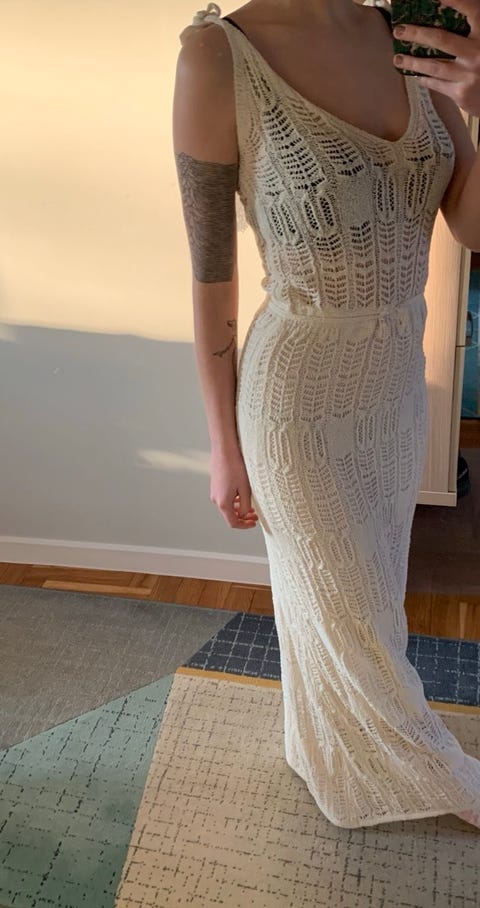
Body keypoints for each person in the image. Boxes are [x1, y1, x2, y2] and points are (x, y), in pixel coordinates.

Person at [173, 0, 480, 829]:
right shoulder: (219, 55)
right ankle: (445, 777)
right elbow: (210, 278)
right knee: (357, 619)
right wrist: (224, 444)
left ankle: (325, 756)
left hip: (395, 386)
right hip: (297, 401)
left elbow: (471, 225)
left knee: (359, 597)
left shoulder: (413, 37)